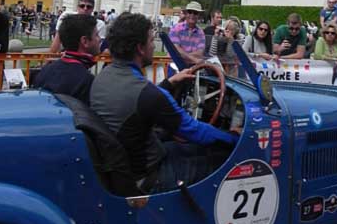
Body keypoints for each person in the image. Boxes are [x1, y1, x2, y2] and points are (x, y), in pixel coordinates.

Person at [90, 13, 239, 194]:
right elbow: (195, 131)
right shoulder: (149, 95)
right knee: (222, 159)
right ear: (140, 48)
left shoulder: (102, 77)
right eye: (151, 40)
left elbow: (142, 102)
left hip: (124, 165)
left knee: (188, 148)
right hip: (149, 174)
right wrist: (234, 137)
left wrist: (169, 83)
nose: (154, 46)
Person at [35, 15, 100, 104]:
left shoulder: (45, 71)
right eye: (96, 35)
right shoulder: (87, 81)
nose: (99, 39)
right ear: (85, 41)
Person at [168, 1, 205, 65]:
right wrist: (193, 58)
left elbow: (200, 53)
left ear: (199, 15)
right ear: (186, 14)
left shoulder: (201, 33)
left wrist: (181, 56)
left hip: (192, 67)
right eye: (190, 12)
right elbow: (175, 49)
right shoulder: (175, 28)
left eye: (195, 13)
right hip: (174, 64)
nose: (192, 15)